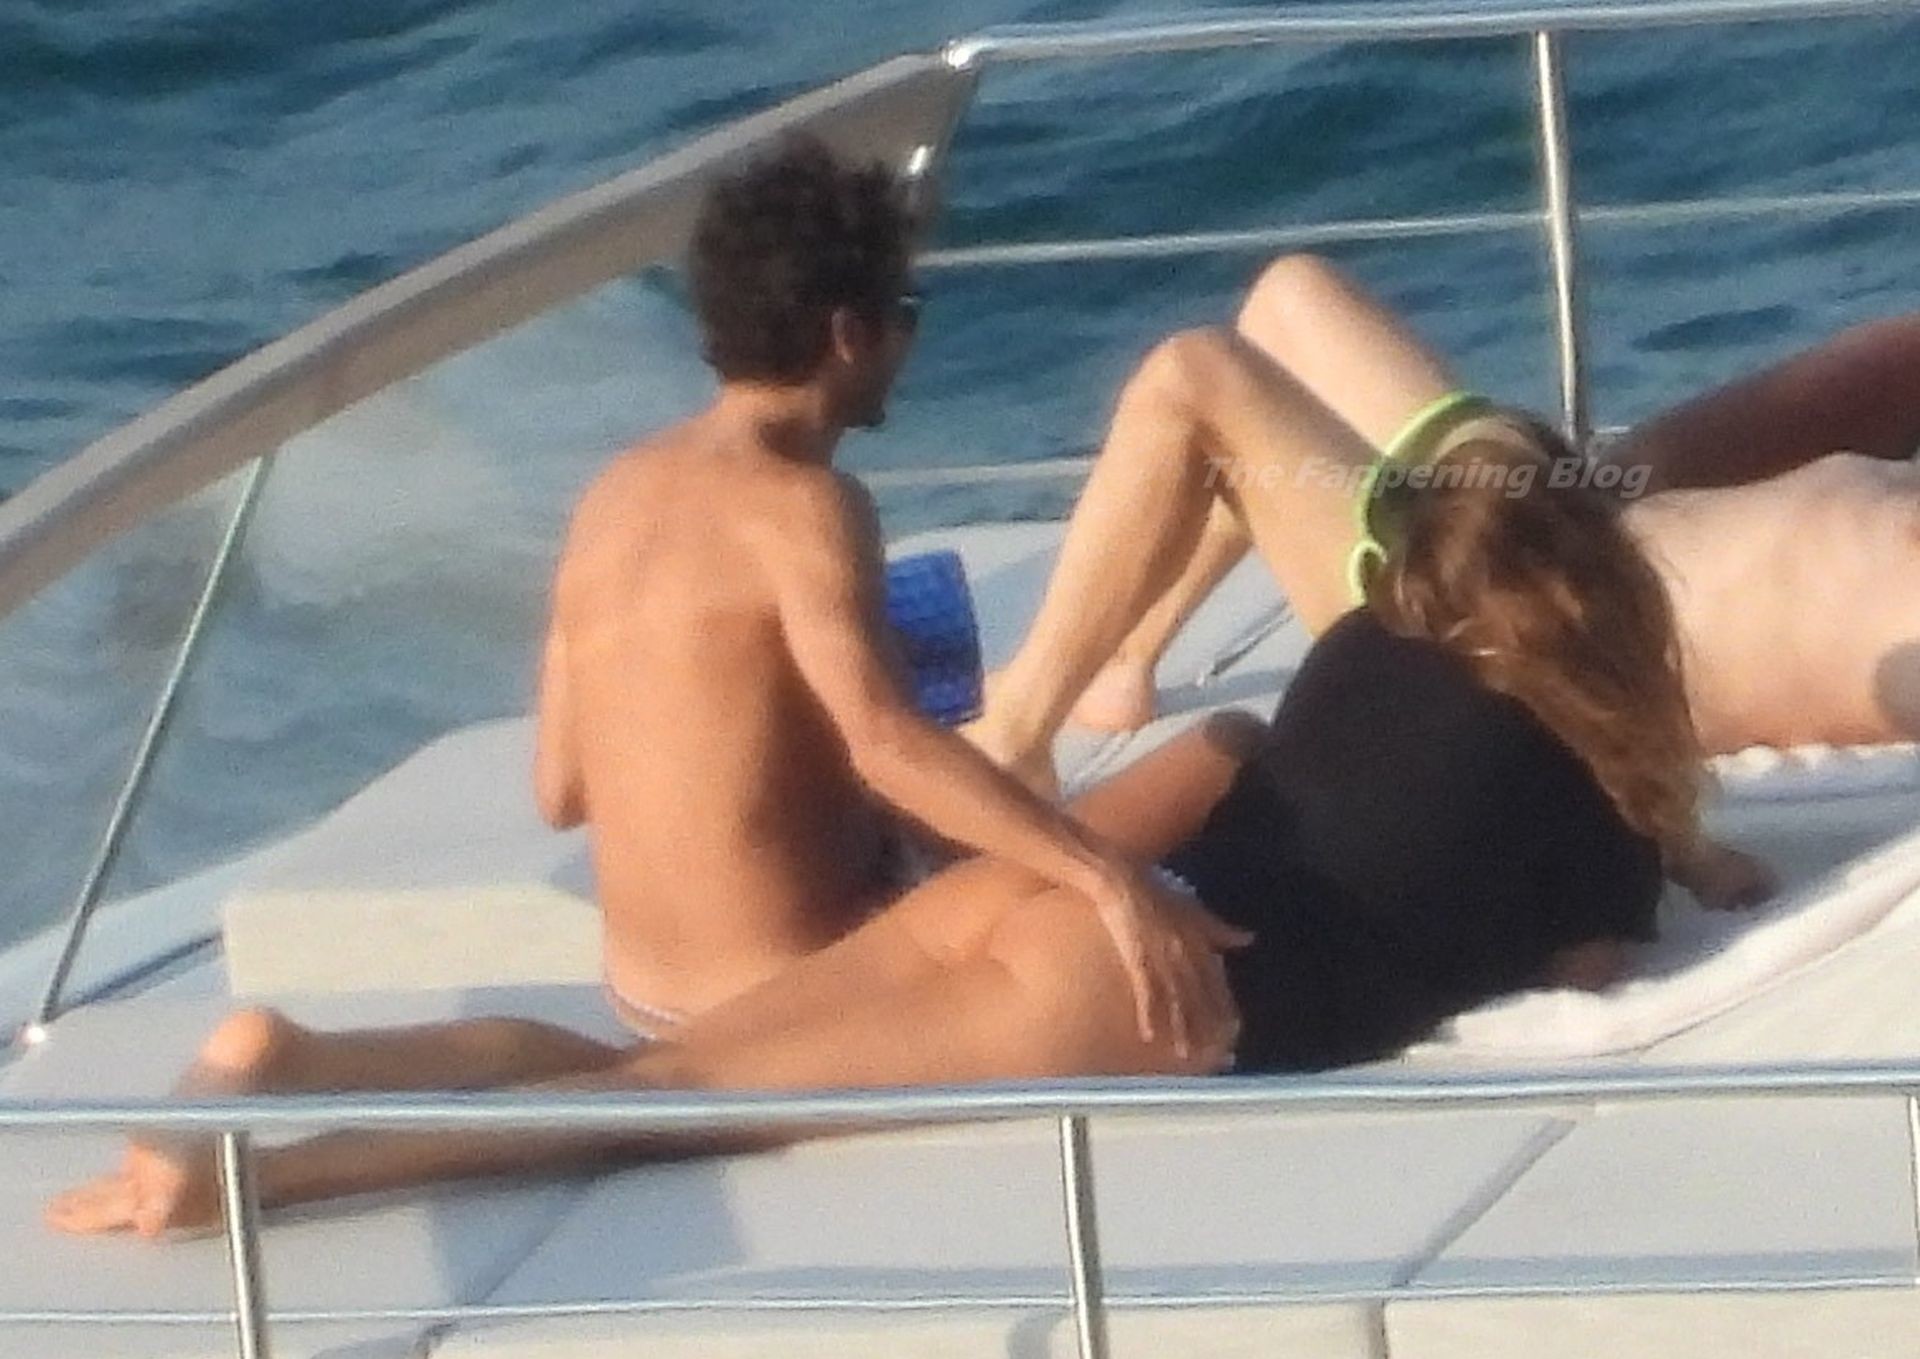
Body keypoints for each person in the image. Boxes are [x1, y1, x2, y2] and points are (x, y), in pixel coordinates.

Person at [46, 229, 1752, 1237]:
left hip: (1064, 899)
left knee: (660, 1078)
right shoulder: (1587, 790)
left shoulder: (1366, 650)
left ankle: (301, 1077)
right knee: (661, 1108)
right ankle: (265, 1166)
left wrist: (1102, 865)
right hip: (1142, 994)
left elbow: (1236, 753)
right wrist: (1676, 860)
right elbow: (1587, 967)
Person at [970, 253, 1920, 766]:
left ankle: (1017, 729)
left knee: (1198, 377)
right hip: (1569, 517)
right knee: (1290, 301)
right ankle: (1126, 660)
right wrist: (1584, 481)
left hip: (1493, 630)